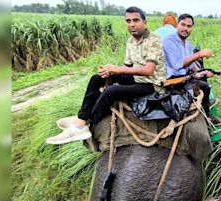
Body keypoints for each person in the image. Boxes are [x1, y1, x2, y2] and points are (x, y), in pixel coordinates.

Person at [47, 6, 166, 145]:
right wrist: (110, 71)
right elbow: (127, 67)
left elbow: (148, 70)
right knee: (97, 78)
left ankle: (87, 123)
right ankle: (81, 118)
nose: (132, 24)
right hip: (135, 78)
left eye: (136, 20)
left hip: (151, 84)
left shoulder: (154, 39)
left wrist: (117, 70)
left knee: (111, 91)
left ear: (145, 22)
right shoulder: (130, 41)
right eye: (128, 21)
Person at [162, 14, 221, 125]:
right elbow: (177, 65)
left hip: (184, 77)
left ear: (192, 28)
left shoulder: (188, 44)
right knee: (204, 87)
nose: (185, 28)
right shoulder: (169, 41)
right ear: (177, 25)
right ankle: (207, 117)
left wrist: (203, 72)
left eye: (189, 26)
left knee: (204, 83)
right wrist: (199, 54)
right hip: (172, 80)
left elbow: (191, 66)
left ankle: (206, 113)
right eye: (183, 25)